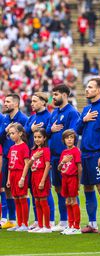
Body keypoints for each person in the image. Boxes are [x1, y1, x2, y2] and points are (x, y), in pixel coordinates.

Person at [76, 78, 100, 234]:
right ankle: (92, 223)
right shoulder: (86, 109)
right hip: (84, 154)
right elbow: (76, 130)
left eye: (90, 87)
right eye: (86, 87)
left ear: (99, 90)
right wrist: (84, 120)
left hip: (97, 154)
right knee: (87, 188)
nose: (87, 90)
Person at [46, 85, 80, 232]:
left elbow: (73, 132)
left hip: (67, 157)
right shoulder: (54, 112)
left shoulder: (72, 112)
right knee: (59, 189)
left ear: (65, 95)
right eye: (53, 94)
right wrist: (51, 129)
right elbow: (47, 130)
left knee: (71, 192)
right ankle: (64, 220)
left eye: (56, 94)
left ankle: (74, 223)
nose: (53, 97)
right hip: (55, 157)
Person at [24, 92, 55, 230]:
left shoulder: (49, 116)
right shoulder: (31, 118)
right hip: (33, 157)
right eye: (32, 101)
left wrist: (47, 130)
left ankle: (51, 221)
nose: (32, 103)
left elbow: (49, 133)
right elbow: (23, 132)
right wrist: (30, 129)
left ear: (43, 102)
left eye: (35, 101)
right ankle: (38, 220)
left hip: (44, 158)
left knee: (46, 191)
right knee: (34, 191)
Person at [0, 94, 28, 229]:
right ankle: (12, 219)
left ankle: (25, 222)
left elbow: (28, 138)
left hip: (20, 160)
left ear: (16, 104)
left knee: (22, 191)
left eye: (8, 101)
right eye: (5, 101)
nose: (5, 103)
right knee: (8, 188)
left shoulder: (23, 119)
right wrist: (4, 131)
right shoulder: (5, 119)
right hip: (7, 157)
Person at [6, 123, 30, 232]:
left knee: (22, 198)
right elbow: (10, 165)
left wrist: (23, 178)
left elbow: (26, 164)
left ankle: (25, 223)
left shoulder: (24, 147)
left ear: (20, 133)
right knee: (16, 198)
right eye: (10, 133)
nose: (11, 136)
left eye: (13, 133)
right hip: (13, 175)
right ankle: (19, 223)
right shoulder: (11, 148)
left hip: (20, 174)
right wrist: (8, 179)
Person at [58, 129, 82, 235]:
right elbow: (59, 168)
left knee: (73, 200)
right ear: (64, 140)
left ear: (74, 139)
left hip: (72, 178)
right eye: (67, 138)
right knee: (67, 201)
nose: (69, 140)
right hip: (64, 178)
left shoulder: (76, 151)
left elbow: (79, 167)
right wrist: (63, 162)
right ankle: (70, 224)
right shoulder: (64, 152)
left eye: (71, 137)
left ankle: (76, 226)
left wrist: (78, 182)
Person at [27, 128, 51, 233]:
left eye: (39, 137)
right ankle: (40, 225)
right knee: (37, 201)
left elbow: (47, 166)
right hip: (34, 177)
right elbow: (29, 165)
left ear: (44, 138)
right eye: (35, 137)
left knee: (43, 201)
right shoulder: (34, 150)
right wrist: (33, 160)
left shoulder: (46, 150)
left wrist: (42, 180)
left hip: (41, 177)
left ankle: (47, 226)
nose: (37, 139)